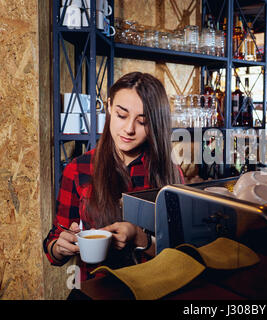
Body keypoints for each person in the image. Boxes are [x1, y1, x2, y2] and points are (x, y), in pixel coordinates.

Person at [43, 72, 184, 281]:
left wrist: (140, 237)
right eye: (121, 115)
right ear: (109, 107)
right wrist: (58, 247)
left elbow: (181, 253)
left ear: (155, 124)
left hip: (154, 287)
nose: (129, 129)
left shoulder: (170, 173)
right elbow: (55, 241)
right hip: (97, 288)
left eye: (142, 121)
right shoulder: (78, 169)